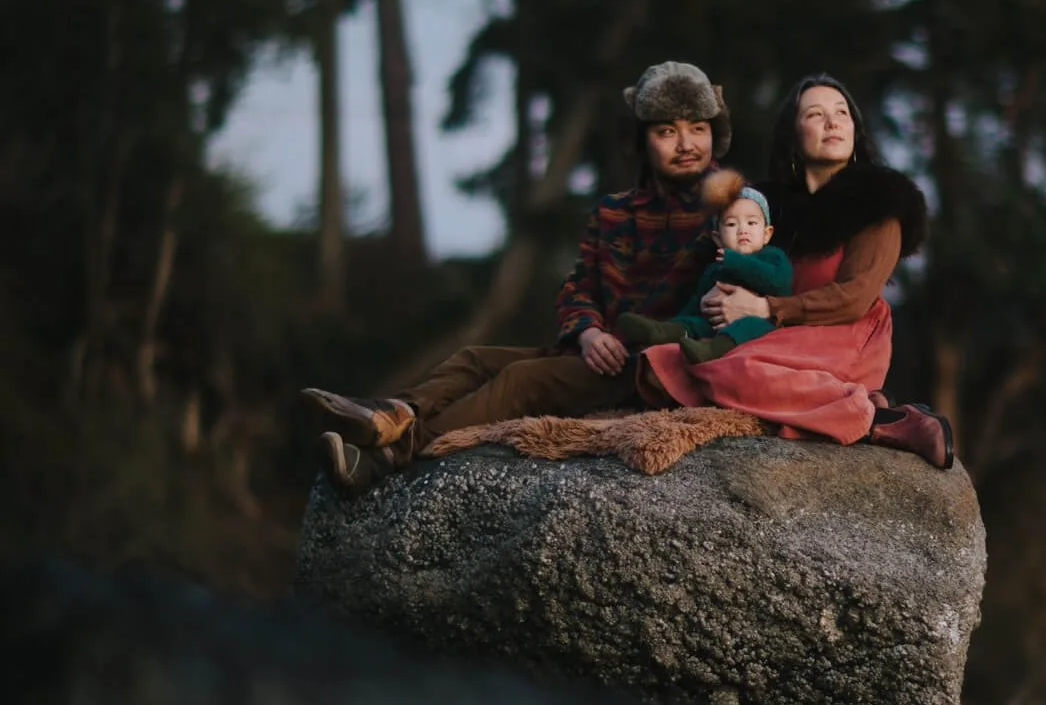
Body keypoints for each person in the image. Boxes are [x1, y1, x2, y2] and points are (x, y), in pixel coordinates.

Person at [303, 61, 728, 492]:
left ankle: (389, 457)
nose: (686, 144)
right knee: (475, 359)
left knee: (520, 380)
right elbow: (579, 285)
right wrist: (587, 332)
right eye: (666, 131)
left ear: (715, 133)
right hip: (598, 352)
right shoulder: (614, 210)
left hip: (655, 365)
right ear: (641, 139)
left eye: (698, 128)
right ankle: (392, 415)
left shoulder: (732, 208)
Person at [637, 75, 954, 467]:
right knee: (663, 362)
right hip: (783, 334)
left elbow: (854, 298)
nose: (833, 122)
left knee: (726, 367)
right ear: (793, 134)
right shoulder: (770, 211)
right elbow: (747, 270)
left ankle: (881, 421)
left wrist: (766, 308)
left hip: (847, 334)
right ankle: (828, 398)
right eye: (816, 114)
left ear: (855, 129)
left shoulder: (881, 204)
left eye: (842, 114)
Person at [617, 170, 793, 366]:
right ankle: (661, 331)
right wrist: (694, 310)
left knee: (748, 325)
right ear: (718, 238)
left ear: (767, 234)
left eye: (752, 222)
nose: (743, 229)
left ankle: (712, 350)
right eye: (732, 224)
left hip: (758, 325)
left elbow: (779, 283)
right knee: (695, 323)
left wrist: (737, 262)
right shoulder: (715, 267)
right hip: (715, 323)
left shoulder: (772, 256)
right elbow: (696, 301)